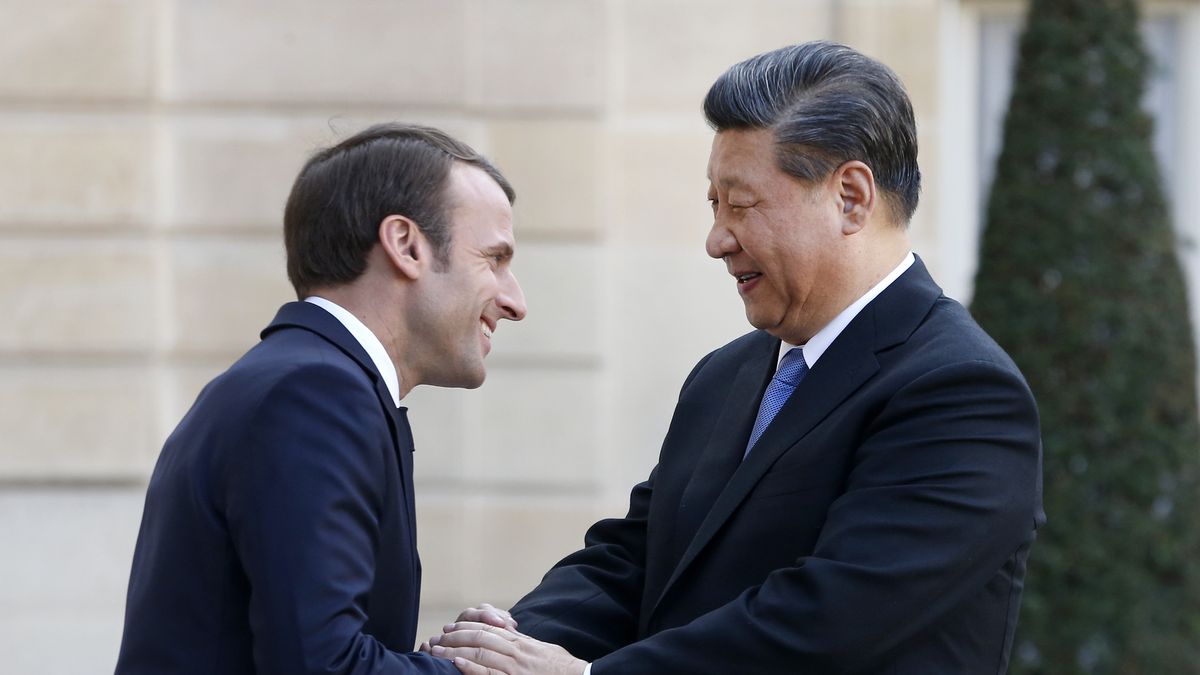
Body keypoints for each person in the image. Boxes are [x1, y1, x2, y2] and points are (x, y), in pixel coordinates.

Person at [428, 41, 1044, 674]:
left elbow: (828, 623)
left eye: (742, 205)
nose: (717, 240)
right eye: (713, 205)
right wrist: (501, 647)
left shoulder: (961, 392)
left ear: (852, 197)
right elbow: (633, 560)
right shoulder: (726, 375)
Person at [115, 123, 527, 674]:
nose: (514, 301)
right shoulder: (315, 395)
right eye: (494, 259)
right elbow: (322, 665)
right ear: (406, 246)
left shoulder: (302, 381)